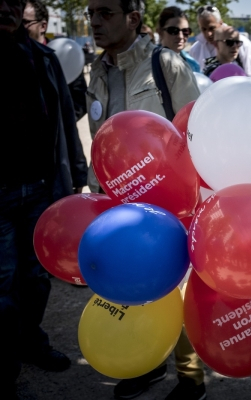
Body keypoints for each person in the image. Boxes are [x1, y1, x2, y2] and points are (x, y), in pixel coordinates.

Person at [85, 0, 204, 399]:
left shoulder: (164, 63)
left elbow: (195, 128)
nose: (95, 22)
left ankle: (191, 379)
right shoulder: (97, 70)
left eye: (105, 13)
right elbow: (101, 140)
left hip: (170, 202)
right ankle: (146, 364)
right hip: (118, 204)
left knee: (178, 286)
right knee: (131, 284)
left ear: (132, 19)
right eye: (90, 14)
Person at [0, 0, 88, 397]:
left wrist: (77, 175)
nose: (6, 8)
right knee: (4, 282)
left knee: (36, 278)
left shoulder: (43, 58)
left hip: (39, 188)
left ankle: (31, 341)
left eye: (14, 2)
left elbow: (65, 121)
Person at [23, 0, 88, 121]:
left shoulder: (65, 54)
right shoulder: (14, 56)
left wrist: (59, 124)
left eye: (25, 22)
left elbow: (80, 99)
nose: (20, 27)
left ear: (43, 26)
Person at [189, 4, 251, 82]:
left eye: (212, 28)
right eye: (204, 29)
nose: (209, 34)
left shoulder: (243, 43)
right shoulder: (195, 49)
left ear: (221, 23)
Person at [157, 6, 200, 72]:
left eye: (185, 31)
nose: (180, 36)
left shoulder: (193, 64)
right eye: (173, 30)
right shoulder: (149, 62)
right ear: (160, 32)